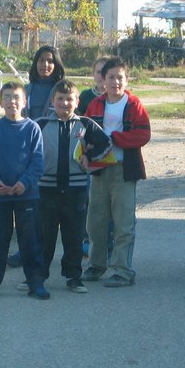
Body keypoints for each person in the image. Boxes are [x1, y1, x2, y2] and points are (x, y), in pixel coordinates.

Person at [37, 79, 111, 293]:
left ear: (77, 101)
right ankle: (37, 276)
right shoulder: (40, 124)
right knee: (44, 236)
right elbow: (26, 149)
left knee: (73, 236)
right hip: (46, 189)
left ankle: (73, 276)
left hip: (76, 190)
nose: (65, 103)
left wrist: (90, 156)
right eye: (60, 99)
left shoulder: (86, 124)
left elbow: (107, 144)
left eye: (69, 99)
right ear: (53, 101)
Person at [82, 57, 151, 288]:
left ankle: (122, 270)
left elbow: (143, 135)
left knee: (123, 223)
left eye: (120, 77)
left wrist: (113, 139)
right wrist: (86, 152)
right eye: (110, 77)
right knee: (96, 222)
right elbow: (86, 134)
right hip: (100, 171)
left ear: (126, 79)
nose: (115, 82)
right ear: (103, 80)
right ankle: (96, 265)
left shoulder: (133, 105)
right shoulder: (96, 104)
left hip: (123, 170)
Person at [0, 82, 49, 300]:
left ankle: (36, 283)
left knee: (30, 241)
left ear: (25, 102)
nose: (12, 101)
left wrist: (25, 183)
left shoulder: (32, 128)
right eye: (7, 97)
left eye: (16, 97)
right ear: (0, 102)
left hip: (27, 195)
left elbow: (38, 163)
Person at [7, 45, 66, 268]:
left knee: (47, 211)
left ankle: (43, 253)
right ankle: (25, 250)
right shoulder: (27, 90)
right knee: (27, 208)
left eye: (50, 60)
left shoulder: (62, 91)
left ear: (56, 64)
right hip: (26, 153)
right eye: (41, 60)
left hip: (52, 153)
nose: (45, 65)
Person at [76, 55, 113, 258]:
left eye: (106, 72)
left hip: (115, 160)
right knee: (90, 201)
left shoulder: (123, 98)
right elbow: (78, 125)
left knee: (111, 206)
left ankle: (110, 242)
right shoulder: (86, 97)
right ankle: (87, 240)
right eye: (99, 72)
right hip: (92, 159)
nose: (103, 76)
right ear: (94, 74)